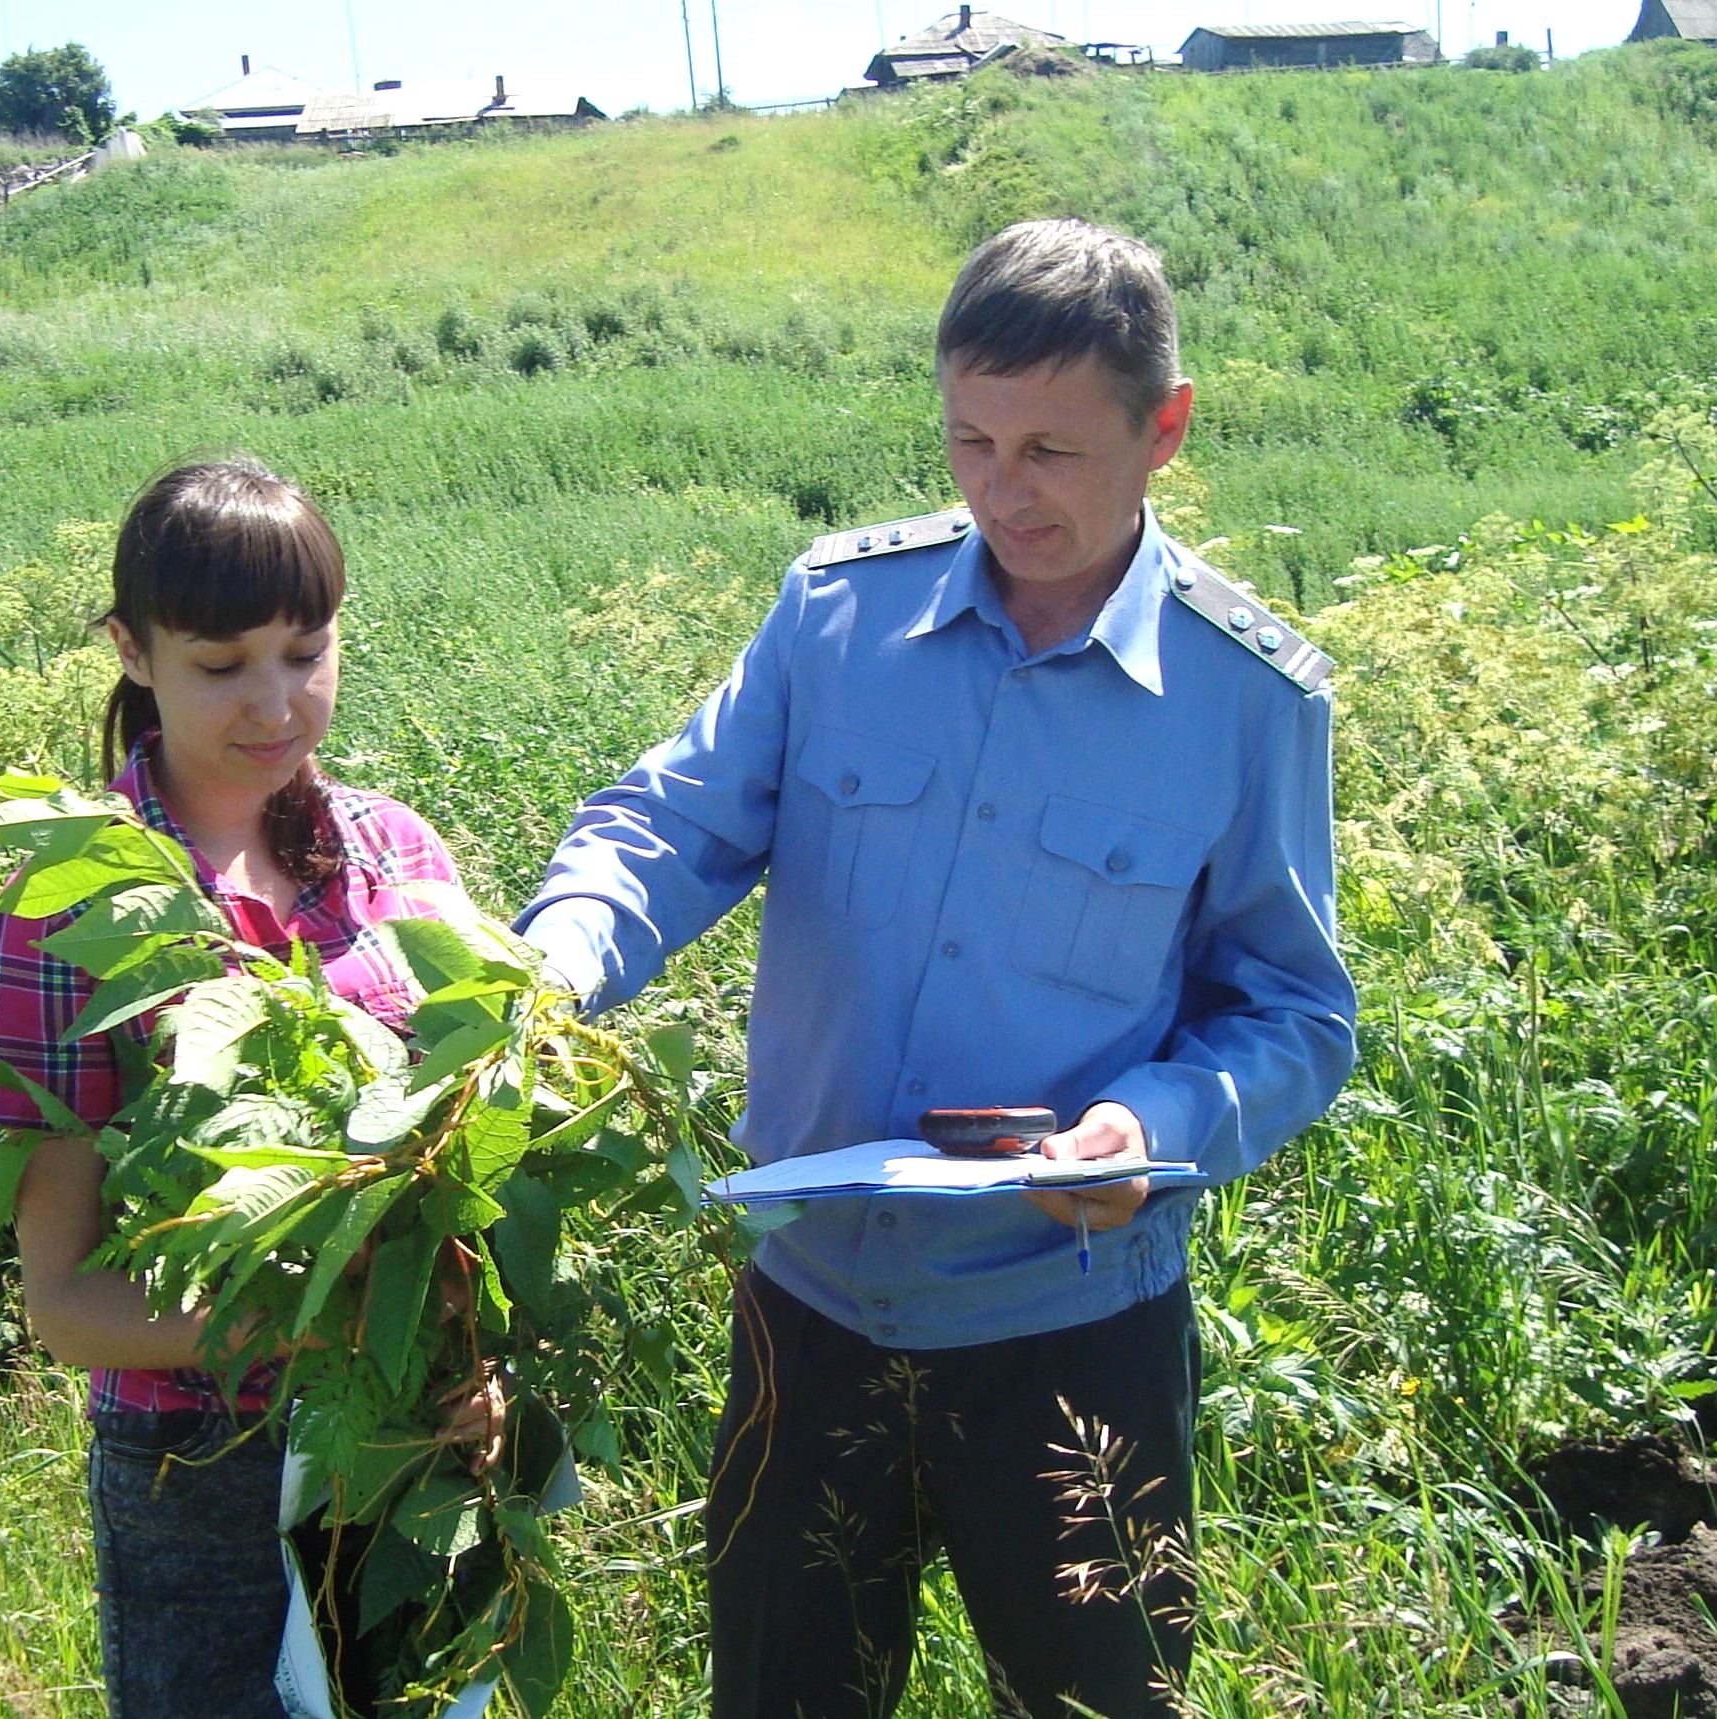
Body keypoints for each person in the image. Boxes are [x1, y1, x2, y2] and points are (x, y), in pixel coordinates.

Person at [517, 220, 1358, 1719]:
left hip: (1072, 1320)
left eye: (1051, 448)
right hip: (814, 1306)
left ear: (1165, 428)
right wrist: (554, 964)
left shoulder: (1248, 695)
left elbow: (1291, 1012)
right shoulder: (840, 616)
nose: (1000, 490)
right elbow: (671, 822)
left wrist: (1154, 1132)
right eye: (970, 438)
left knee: (1102, 1701)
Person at [0, 459, 484, 1719]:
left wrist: (463, 1359)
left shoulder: (398, 853)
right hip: (202, 1467)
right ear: (132, 652)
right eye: (221, 662)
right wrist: (336, 1326)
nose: (274, 702)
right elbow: (68, 1305)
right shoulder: (63, 908)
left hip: (412, 1443)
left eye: (305, 651)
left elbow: (463, 1177)